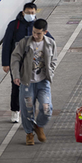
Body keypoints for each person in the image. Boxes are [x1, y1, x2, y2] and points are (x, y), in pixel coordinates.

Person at [10, 18, 56, 146]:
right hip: (27, 82)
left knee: (47, 108)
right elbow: (15, 58)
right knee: (27, 109)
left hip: (43, 82)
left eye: (38, 33)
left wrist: (50, 72)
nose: (35, 35)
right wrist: (16, 75)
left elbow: (54, 60)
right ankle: (29, 133)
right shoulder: (24, 43)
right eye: (33, 32)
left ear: (45, 32)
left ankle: (39, 126)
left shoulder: (50, 43)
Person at [2, 2, 40, 123]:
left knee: (31, 88)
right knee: (16, 87)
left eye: (33, 13)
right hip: (17, 62)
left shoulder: (37, 25)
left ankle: (29, 112)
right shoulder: (14, 25)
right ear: (23, 12)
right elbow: (7, 44)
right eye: (28, 13)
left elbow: (48, 39)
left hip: (33, 63)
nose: (31, 15)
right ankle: (15, 111)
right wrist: (5, 63)